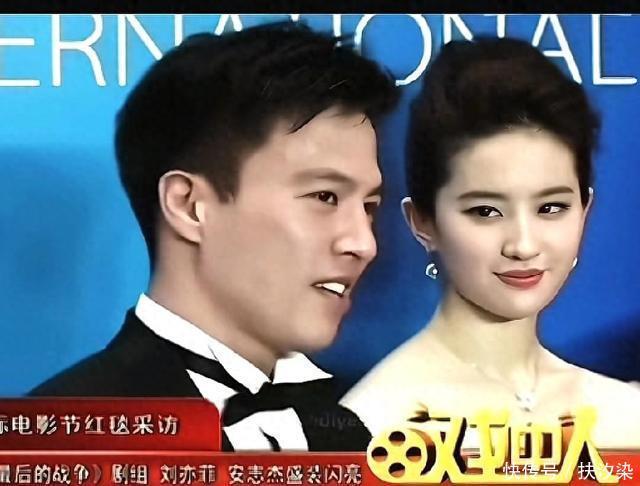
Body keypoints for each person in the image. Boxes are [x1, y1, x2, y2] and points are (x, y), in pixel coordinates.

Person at [30, 22, 398, 452]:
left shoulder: (354, 430)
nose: (364, 244)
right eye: (325, 197)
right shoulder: (60, 441)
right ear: (189, 206)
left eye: (369, 206)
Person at [342, 37, 640, 449]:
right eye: (486, 211)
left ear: (584, 209)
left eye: (551, 208)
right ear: (423, 222)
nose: (523, 245)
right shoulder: (375, 424)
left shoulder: (624, 412)